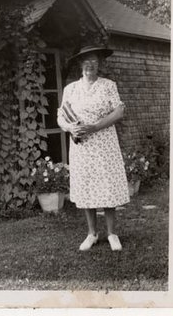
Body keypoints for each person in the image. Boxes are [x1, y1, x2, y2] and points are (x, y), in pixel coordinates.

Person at [57, 45, 130, 251]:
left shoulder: (108, 85)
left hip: (104, 142)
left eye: (94, 61)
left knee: (107, 184)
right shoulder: (70, 89)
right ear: (81, 64)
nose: (90, 65)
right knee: (86, 185)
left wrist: (95, 126)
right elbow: (61, 116)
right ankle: (92, 233)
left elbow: (119, 112)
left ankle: (112, 234)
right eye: (86, 61)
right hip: (82, 146)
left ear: (99, 64)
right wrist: (70, 127)